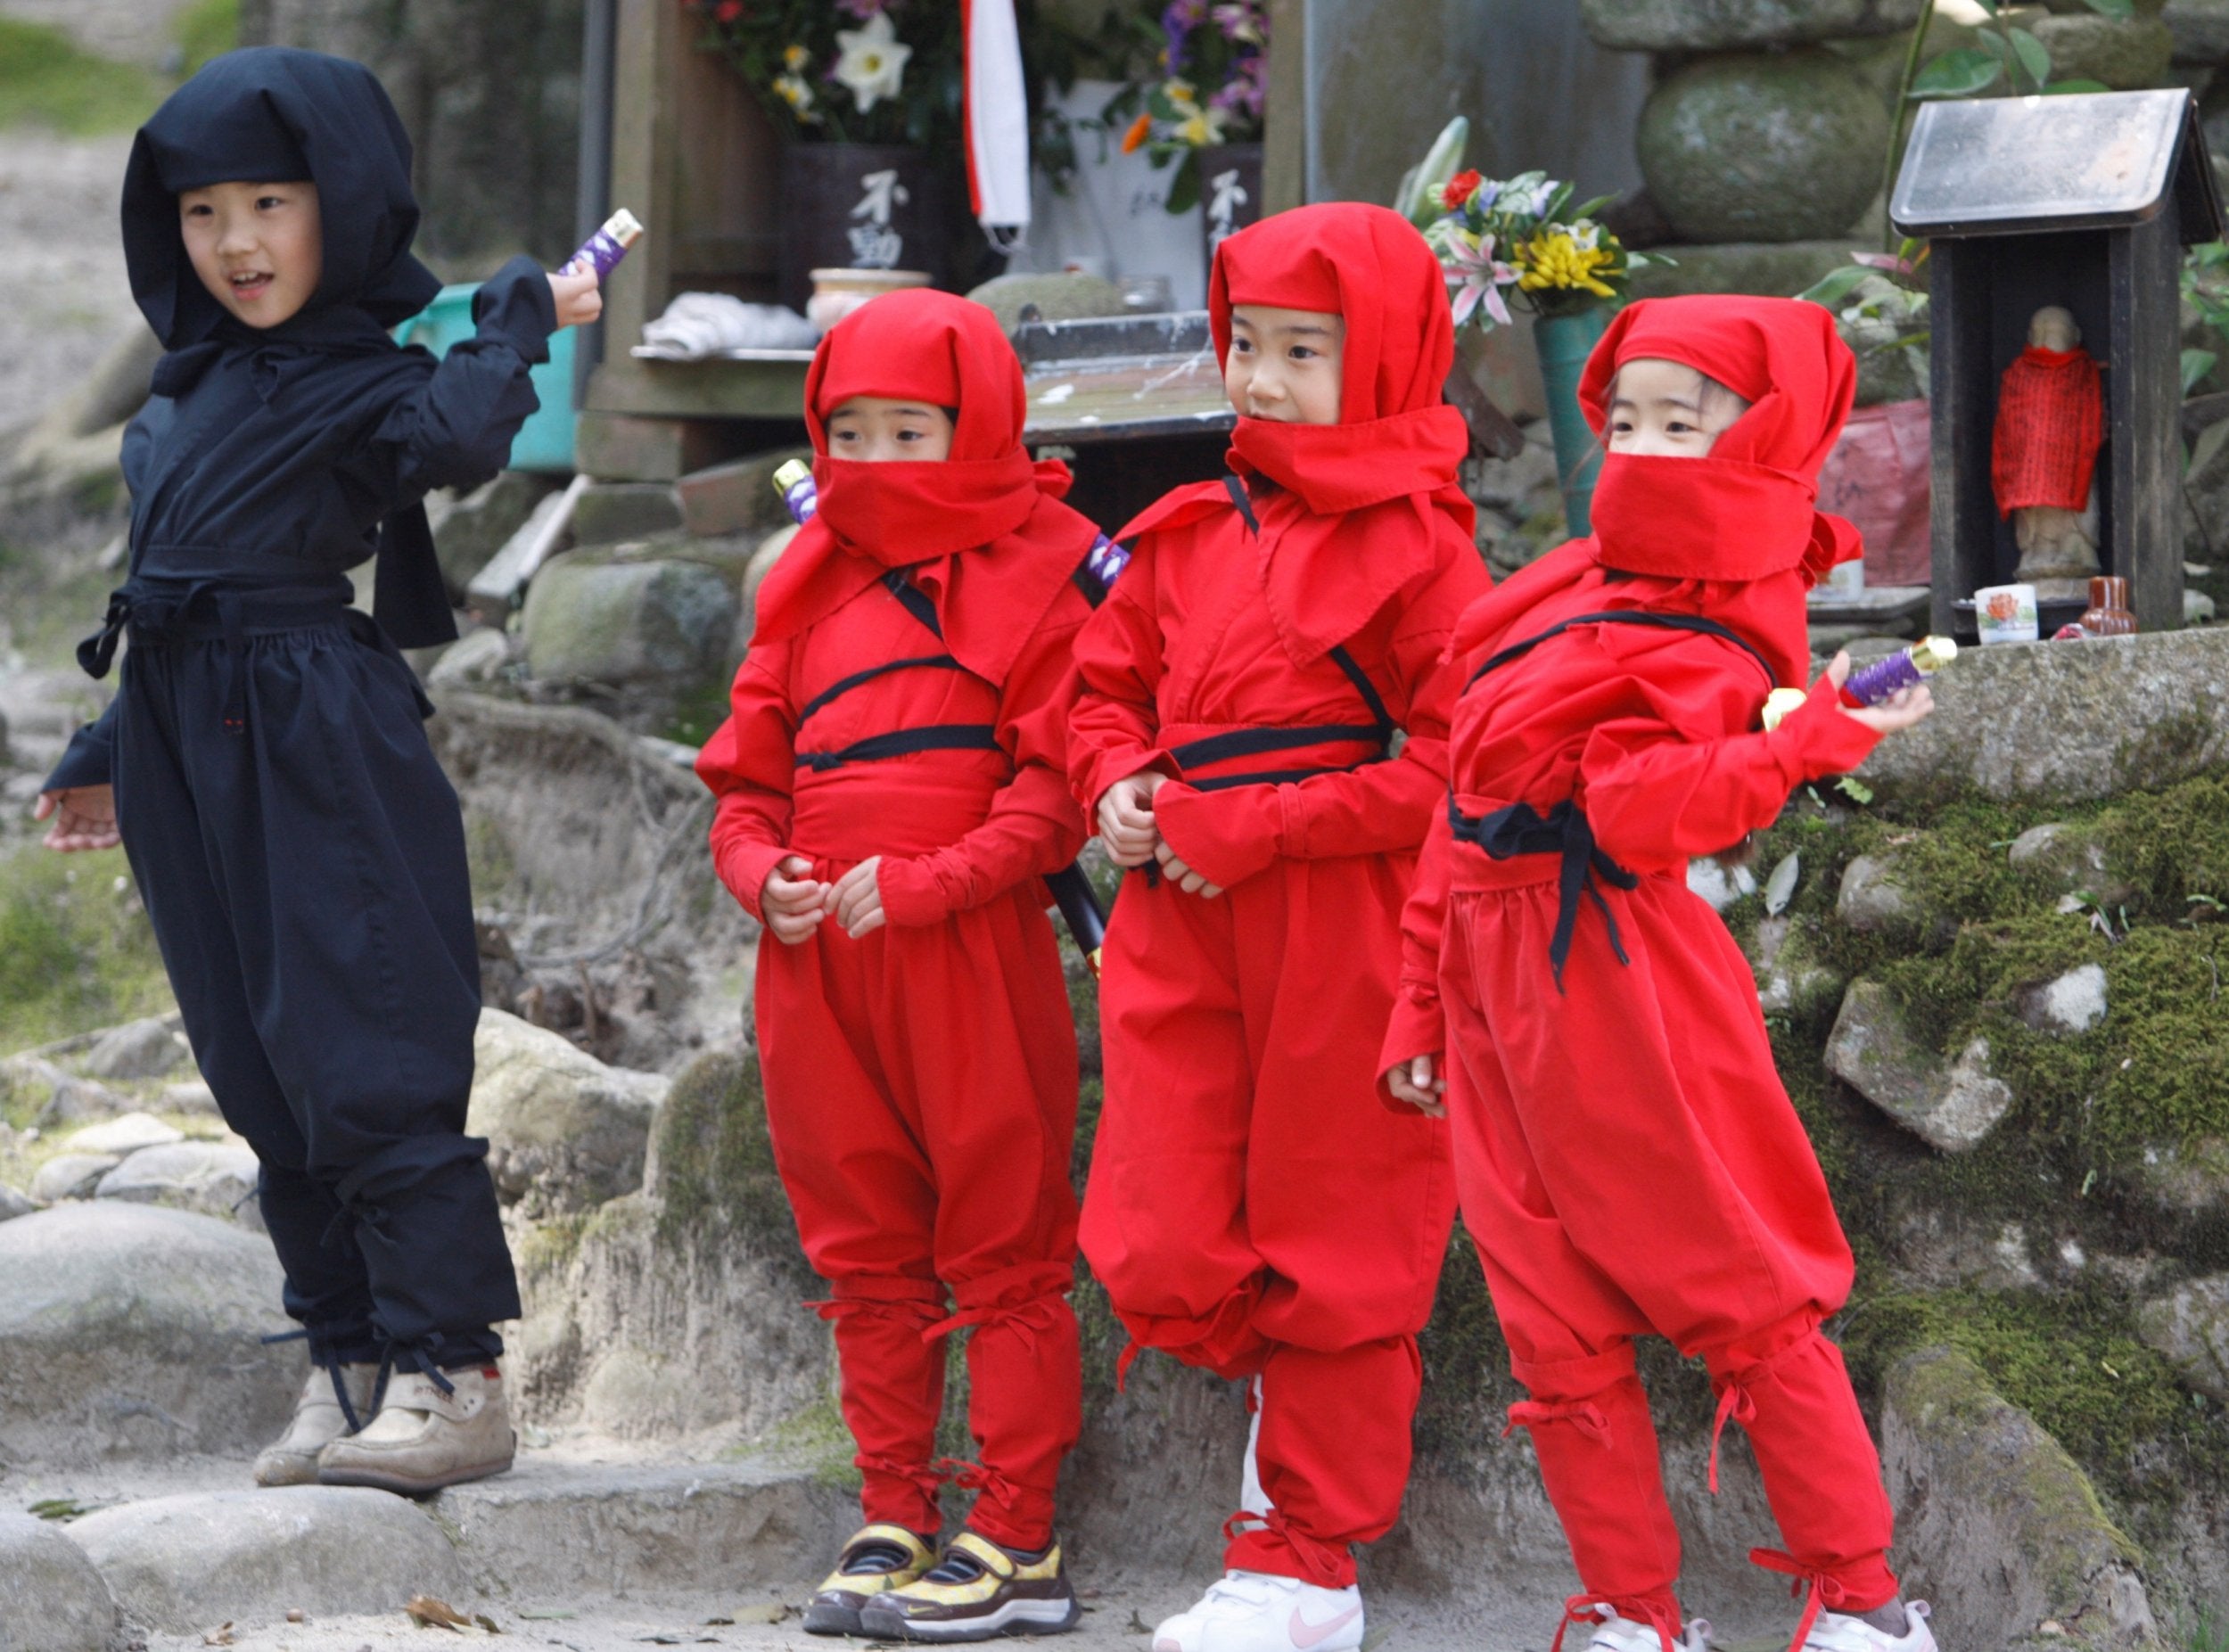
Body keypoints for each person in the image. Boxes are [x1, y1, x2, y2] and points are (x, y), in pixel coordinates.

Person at [34, 47, 600, 1494]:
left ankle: (454, 1374)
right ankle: (346, 1360)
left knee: (364, 1036)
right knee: (255, 1060)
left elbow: (471, 434)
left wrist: (516, 316)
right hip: (181, 734)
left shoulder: (369, 380)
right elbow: (162, 575)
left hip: (312, 728)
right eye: (203, 209)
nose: (234, 243)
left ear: (341, 205)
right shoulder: (183, 394)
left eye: (270, 204)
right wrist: (105, 748)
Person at [1380, 296, 1937, 1652]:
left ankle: (1861, 1602)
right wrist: (1416, 1000)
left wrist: (1810, 740)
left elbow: (1643, 813)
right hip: (1493, 980)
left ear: (1766, 439)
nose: (1639, 449)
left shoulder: (1737, 610)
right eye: (1621, 418)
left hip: (1619, 972)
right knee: (1550, 1325)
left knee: (1742, 1287)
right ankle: (1634, 1613)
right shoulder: (1566, 587)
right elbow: (1462, 798)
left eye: (1680, 424)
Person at [1066, 201, 1490, 1652]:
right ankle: (1277, 1490)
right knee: (1163, 1218)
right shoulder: (1185, 528)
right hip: (1180, 912)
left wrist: (1255, 827)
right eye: (1246, 341)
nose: (1258, 376)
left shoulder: (1429, 552)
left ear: (1385, 360)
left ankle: (1303, 1557)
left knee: (1343, 1225)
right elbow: (1099, 685)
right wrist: (1111, 779)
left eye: (1305, 350)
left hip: (1348, 918)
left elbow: (1452, 765)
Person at [695, 289, 1099, 1643]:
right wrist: (765, 877)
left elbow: (1059, 787)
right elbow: (744, 786)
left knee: (1002, 1236)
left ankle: (1015, 1524)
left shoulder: (1054, 564)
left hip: (970, 947)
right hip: (815, 961)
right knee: (862, 1242)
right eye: (849, 432)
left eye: (910, 431)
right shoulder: (803, 582)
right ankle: (892, 1501)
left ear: (978, 424)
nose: (874, 462)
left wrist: (939, 881)